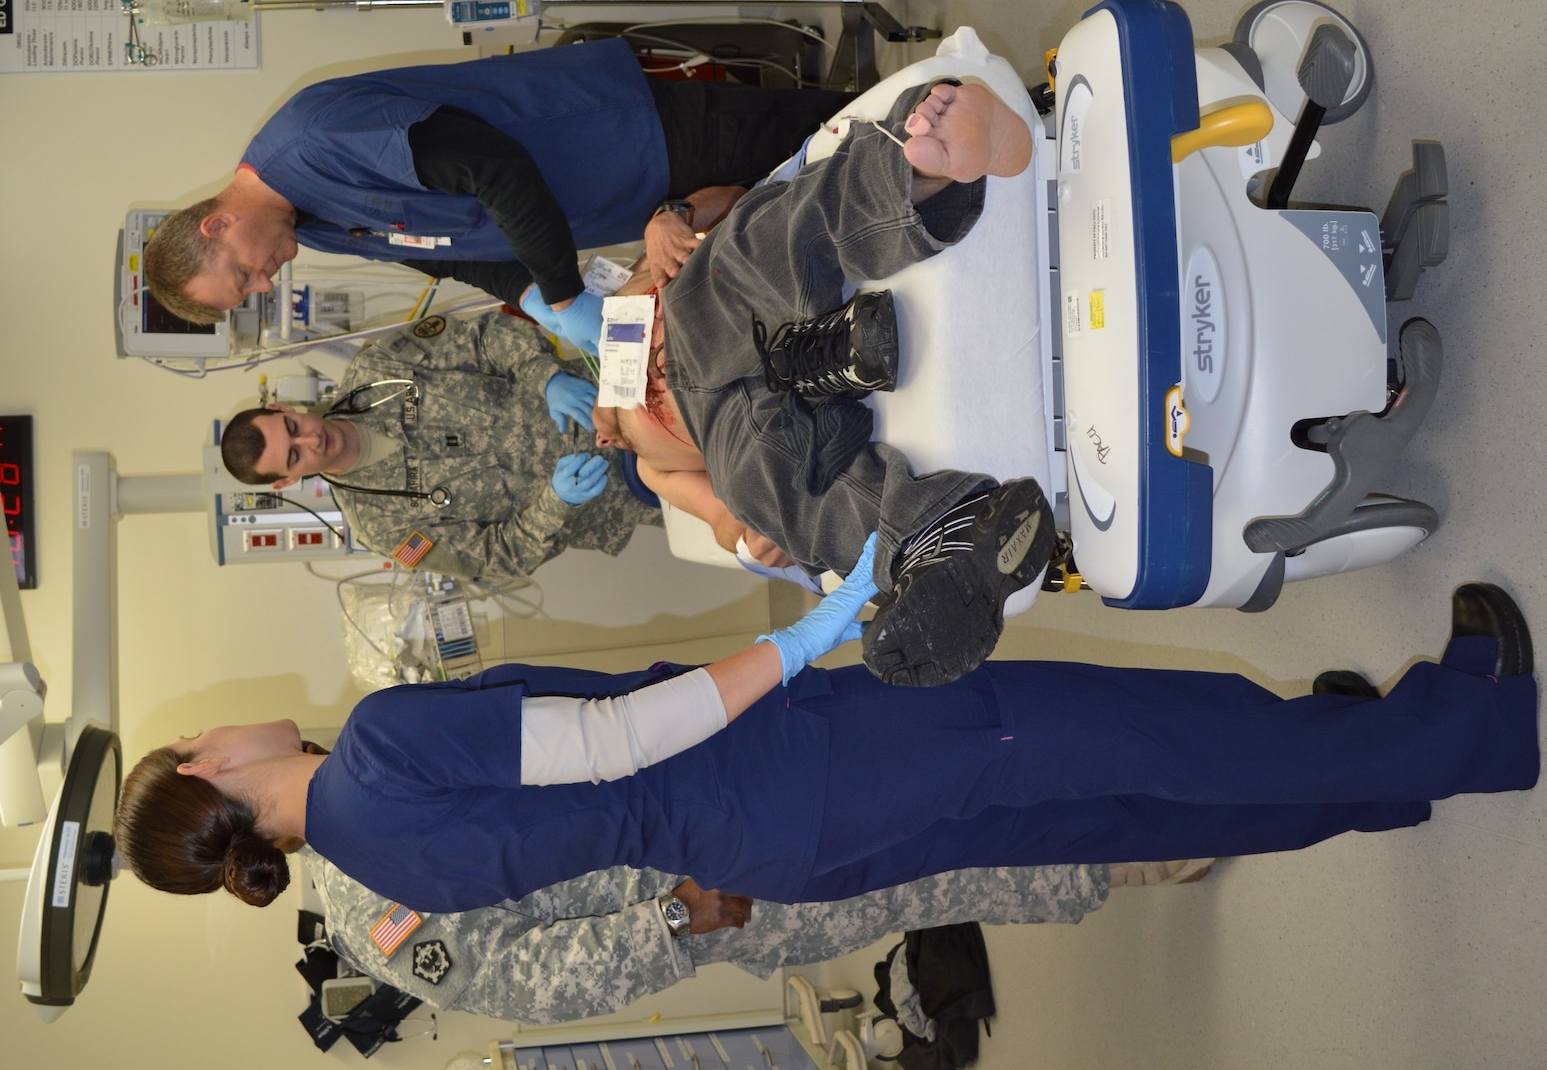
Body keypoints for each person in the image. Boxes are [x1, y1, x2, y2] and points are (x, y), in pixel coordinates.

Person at [112, 549, 1537, 913]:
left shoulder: (379, 864)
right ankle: (1467, 728)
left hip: (784, 839)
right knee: (1126, 730)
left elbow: (595, 802)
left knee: (1100, 814)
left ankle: (1370, 784)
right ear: (209, 771)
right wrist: (795, 639)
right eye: (202, 731)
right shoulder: (372, 753)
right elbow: (610, 748)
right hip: (791, 761)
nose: (226, 717)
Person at [581, 78, 1055, 686]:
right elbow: (728, 521)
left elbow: (736, 199)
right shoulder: (653, 467)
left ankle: (924, 175)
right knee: (749, 477)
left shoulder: (622, 310)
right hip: (738, 420)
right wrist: (757, 536)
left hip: (714, 316)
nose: (598, 434)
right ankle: (940, 539)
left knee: (752, 248)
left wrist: (668, 218)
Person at [142, 37, 850, 338]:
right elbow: (447, 253)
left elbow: (493, 167)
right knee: (835, 196)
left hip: (636, 135)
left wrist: (563, 288)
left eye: (242, 275)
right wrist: (535, 300)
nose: (264, 284)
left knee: (851, 130)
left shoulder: (315, 142)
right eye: (249, 293)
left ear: (216, 227)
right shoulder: (309, 224)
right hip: (640, 200)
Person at [305, 853, 1152, 1023]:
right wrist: (674, 916)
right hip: (719, 887)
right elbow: (531, 984)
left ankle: (1115, 821)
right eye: (203, 746)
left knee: (918, 819)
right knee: (923, 874)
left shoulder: (358, 778)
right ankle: (1133, 859)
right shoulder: (370, 908)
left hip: (697, 805)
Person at [219, 309, 660, 579]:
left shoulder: (379, 366)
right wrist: (555, 503)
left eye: (293, 427)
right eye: (296, 455)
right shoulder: (385, 526)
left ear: (281, 409)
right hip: (626, 493)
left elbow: (485, 338)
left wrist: (547, 378)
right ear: (287, 482)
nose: (313, 438)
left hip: (614, 389)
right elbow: (500, 557)